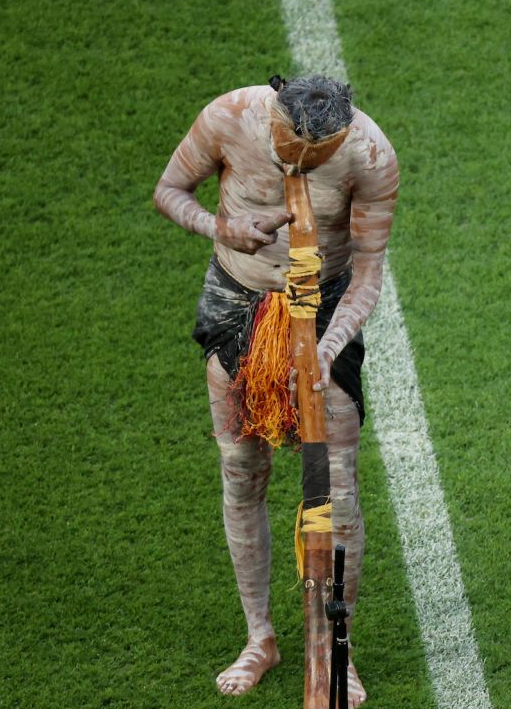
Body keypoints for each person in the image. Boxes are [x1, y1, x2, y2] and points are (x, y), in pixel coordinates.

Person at [154, 75, 398, 705]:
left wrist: (328, 343)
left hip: (324, 311)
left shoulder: (369, 154)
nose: (299, 162)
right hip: (237, 303)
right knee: (241, 470)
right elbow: (169, 190)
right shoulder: (231, 115)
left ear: (341, 135)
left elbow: (369, 271)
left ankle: (335, 651)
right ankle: (260, 637)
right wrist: (219, 227)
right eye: (290, 147)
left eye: (315, 155)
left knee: (336, 489)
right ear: (275, 116)